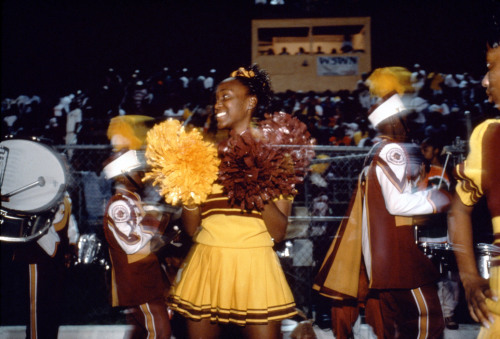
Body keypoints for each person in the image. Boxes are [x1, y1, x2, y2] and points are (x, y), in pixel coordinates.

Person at [313, 76, 451, 337]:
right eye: (405, 119)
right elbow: (397, 203)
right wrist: (438, 198)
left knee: (397, 328)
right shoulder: (393, 151)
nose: (409, 125)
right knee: (427, 322)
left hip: (381, 257)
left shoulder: (376, 151)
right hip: (399, 258)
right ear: (394, 121)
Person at [168, 65, 300, 339]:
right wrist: (188, 190)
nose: (217, 104)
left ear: (250, 102)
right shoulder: (203, 156)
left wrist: (254, 185)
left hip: (255, 265)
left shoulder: (277, 158)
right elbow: (192, 230)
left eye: (226, 96)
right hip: (208, 262)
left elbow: (278, 232)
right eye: (216, 98)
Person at [447, 34, 500, 338]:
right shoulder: (489, 137)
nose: (483, 81)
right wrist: (468, 276)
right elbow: (458, 210)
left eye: (491, 67)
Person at [102, 115, 172, 339]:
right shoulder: (120, 205)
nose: (142, 175)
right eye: (137, 171)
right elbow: (134, 245)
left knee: (144, 329)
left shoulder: (132, 200)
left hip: (146, 277)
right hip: (137, 280)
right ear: (125, 176)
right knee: (158, 330)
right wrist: (155, 216)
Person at [11, 191, 79, 339]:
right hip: (37, 256)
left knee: (53, 308)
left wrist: (72, 243)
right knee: (36, 310)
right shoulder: (38, 186)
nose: (66, 167)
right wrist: (57, 248)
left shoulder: (63, 191)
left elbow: (69, 218)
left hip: (56, 258)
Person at [417, 136, 460, 330]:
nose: (423, 150)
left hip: (443, 229)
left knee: (447, 275)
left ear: (436, 150)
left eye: (427, 148)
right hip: (426, 229)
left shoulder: (446, 172)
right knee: (429, 273)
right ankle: (431, 312)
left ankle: (448, 313)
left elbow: (446, 199)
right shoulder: (421, 171)